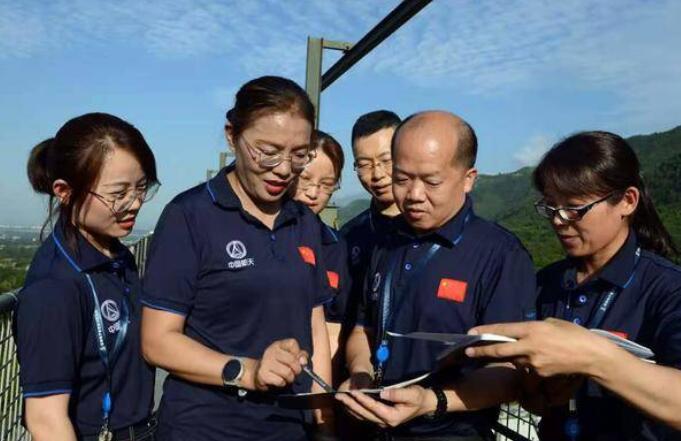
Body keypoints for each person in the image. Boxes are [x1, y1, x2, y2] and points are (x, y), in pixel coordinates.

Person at [140, 76, 333, 441]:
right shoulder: (191, 216)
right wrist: (249, 371)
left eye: (299, 154)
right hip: (207, 426)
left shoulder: (304, 221)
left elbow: (315, 324)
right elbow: (157, 340)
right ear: (232, 135)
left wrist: (324, 425)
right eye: (267, 150)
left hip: (289, 428)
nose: (283, 168)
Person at [466, 131, 681, 440]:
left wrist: (592, 358)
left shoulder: (667, 289)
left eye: (575, 208)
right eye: (551, 207)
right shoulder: (546, 285)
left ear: (627, 201)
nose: (559, 220)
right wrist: (541, 390)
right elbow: (534, 403)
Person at [336, 111, 537, 441]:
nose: (414, 194)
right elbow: (363, 327)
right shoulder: (384, 243)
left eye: (431, 182)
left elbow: (509, 372)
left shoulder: (500, 256)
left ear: (469, 178)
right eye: (402, 179)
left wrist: (433, 401)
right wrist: (361, 372)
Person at [14, 113, 159, 441]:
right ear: (64, 191)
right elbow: (46, 421)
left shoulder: (116, 255)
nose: (134, 203)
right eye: (117, 193)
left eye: (141, 188)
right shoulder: (54, 288)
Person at [293, 129, 350, 371]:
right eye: (305, 179)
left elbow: (332, 326)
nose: (313, 193)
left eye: (326, 185)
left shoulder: (335, 247)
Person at [340, 110, 402, 327]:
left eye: (387, 160)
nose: (377, 174)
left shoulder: (433, 230)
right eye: (364, 164)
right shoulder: (348, 238)